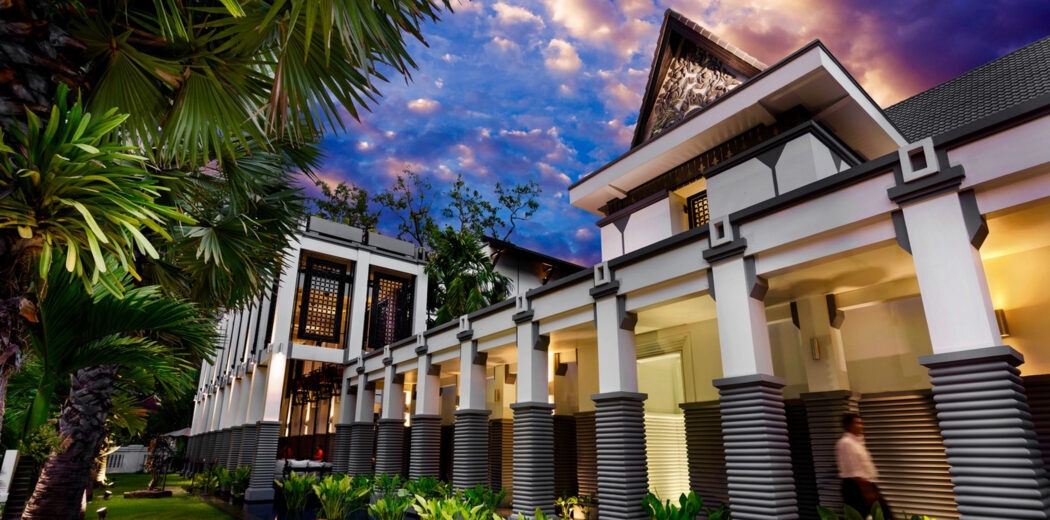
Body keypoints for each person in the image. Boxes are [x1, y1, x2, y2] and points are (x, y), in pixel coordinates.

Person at [836, 413, 893, 519]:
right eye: (857, 423)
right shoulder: (846, 443)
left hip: (866, 484)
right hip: (856, 487)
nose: (861, 426)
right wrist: (867, 492)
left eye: (861, 423)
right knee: (878, 515)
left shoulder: (857, 442)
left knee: (881, 514)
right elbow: (855, 471)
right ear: (848, 426)